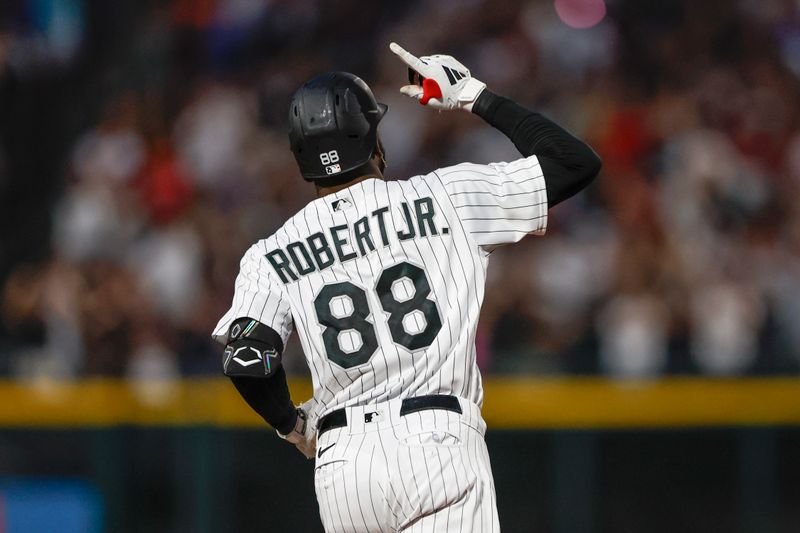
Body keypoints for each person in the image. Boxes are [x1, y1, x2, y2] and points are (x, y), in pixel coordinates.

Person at [212, 43, 601, 532]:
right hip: (437, 443)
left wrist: (290, 425)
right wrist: (476, 96)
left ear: (300, 156)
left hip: (342, 465)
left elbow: (247, 359)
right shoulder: (446, 197)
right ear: (375, 142)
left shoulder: (270, 252)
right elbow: (575, 162)